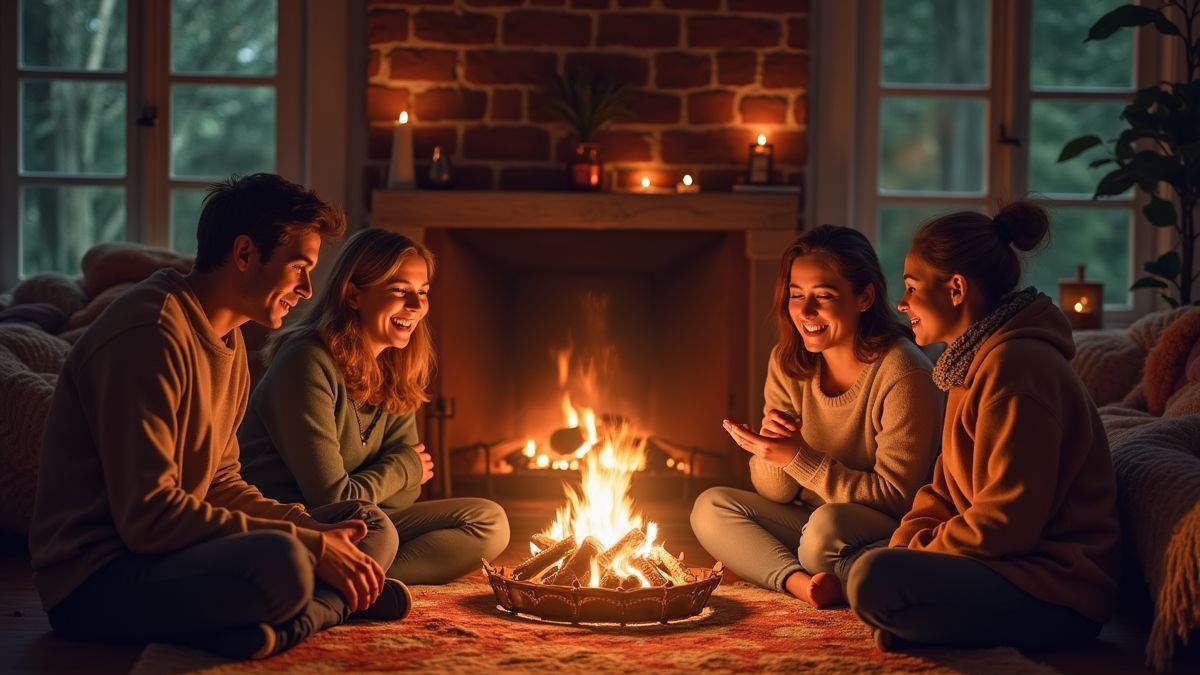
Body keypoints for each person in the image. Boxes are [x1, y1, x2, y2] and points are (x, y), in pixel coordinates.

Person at [28, 174, 410, 661]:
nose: (308, 290)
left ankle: (282, 620)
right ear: (246, 253)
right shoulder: (151, 333)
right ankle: (325, 609)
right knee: (287, 562)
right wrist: (310, 546)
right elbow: (148, 518)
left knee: (368, 523)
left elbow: (221, 482)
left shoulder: (231, 344)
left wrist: (315, 531)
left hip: (176, 552)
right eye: (299, 267)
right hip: (100, 578)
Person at [846, 202, 1120, 650]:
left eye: (912, 288)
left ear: (956, 289)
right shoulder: (969, 365)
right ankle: (917, 624)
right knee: (868, 563)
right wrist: (904, 544)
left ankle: (917, 623)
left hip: (1055, 591)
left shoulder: (1016, 369)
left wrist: (908, 556)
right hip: (1002, 567)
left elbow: (1007, 523)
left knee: (873, 577)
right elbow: (942, 492)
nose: (902, 302)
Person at [238, 228, 510, 584]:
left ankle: (368, 581)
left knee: (489, 520)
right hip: (301, 525)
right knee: (380, 527)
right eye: (400, 291)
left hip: (372, 525)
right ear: (353, 294)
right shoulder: (305, 362)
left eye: (423, 293)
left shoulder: (394, 367)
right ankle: (353, 578)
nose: (416, 307)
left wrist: (398, 476)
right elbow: (334, 499)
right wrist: (404, 466)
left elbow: (407, 496)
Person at [691, 225, 942, 608]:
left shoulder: (904, 372)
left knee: (825, 530)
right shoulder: (789, 361)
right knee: (710, 506)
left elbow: (896, 497)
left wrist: (798, 458)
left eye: (823, 296)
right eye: (796, 295)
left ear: (864, 297)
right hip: (808, 521)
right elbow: (775, 492)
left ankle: (863, 570)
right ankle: (803, 584)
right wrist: (771, 452)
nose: (805, 312)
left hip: (882, 524)